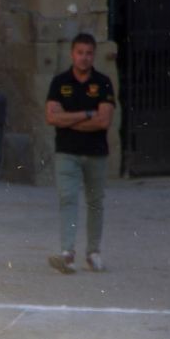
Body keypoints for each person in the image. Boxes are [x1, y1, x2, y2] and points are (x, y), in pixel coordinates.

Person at [44, 32, 115, 274]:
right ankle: (67, 253)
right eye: (80, 53)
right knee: (68, 198)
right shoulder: (59, 82)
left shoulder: (103, 82)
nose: (84, 58)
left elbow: (104, 120)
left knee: (95, 202)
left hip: (96, 153)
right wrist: (86, 114)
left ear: (94, 56)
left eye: (88, 53)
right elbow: (51, 117)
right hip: (67, 152)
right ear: (72, 54)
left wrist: (68, 119)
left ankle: (93, 252)